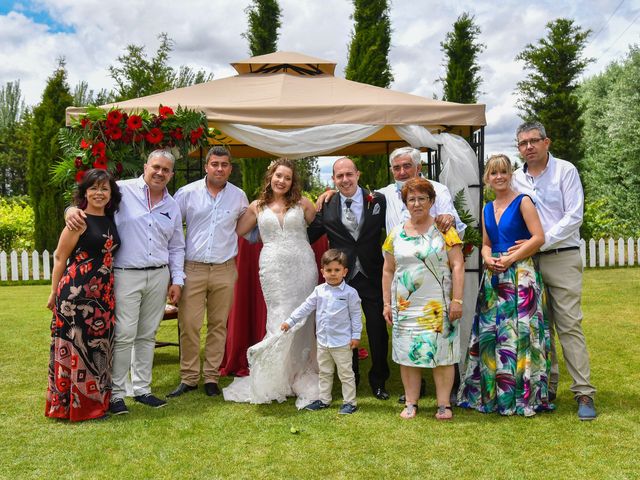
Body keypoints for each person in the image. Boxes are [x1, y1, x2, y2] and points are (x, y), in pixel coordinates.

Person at [66, 149, 185, 415]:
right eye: (156, 167)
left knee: (147, 334)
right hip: (125, 273)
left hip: (159, 274)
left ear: (171, 174)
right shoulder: (122, 191)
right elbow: (92, 200)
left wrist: (176, 279)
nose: (160, 173)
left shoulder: (172, 205)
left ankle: (142, 390)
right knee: (124, 335)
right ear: (145, 166)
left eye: (166, 170)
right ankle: (117, 394)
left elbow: (177, 246)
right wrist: (70, 209)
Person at [511, 121, 596, 420]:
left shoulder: (565, 171)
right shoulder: (514, 179)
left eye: (534, 141)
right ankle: (547, 388)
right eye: (523, 143)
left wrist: (540, 243)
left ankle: (584, 391)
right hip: (527, 261)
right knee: (539, 329)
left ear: (547, 142)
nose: (529, 147)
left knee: (569, 324)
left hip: (561, 256)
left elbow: (574, 216)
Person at [457, 154, 553, 416]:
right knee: (493, 333)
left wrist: (510, 258)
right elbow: (487, 243)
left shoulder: (523, 202)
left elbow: (538, 237)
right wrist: (487, 258)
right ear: (487, 177)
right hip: (494, 277)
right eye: (493, 173)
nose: (499, 177)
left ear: (511, 174)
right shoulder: (487, 207)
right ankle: (494, 395)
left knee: (521, 333)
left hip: (521, 274)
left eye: (503, 172)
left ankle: (523, 396)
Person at [222, 158, 319, 408]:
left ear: (292, 181)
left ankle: (300, 371)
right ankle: (275, 375)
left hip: (303, 266)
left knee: (305, 317)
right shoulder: (257, 207)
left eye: (287, 177)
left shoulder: (303, 203)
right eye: (278, 176)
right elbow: (239, 231)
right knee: (280, 315)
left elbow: (318, 222)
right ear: (271, 177)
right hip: (274, 268)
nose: (282, 181)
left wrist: (327, 192)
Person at [167, 147, 248, 398]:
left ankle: (211, 377)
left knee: (218, 325)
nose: (219, 168)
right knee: (189, 324)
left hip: (225, 269)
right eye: (215, 164)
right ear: (206, 166)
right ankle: (189, 377)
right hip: (193, 268)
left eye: (224, 164)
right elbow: (170, 227)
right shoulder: (187, 193)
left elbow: (249, 226)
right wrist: (174, 271)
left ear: (230, 168)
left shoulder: (238, 196)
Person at [381, 177, 465, 419]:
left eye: (422, 198)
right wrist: (387, 303)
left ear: (431, 201)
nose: (416, 203)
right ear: (405, 203)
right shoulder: (395, 233)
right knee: (407, 354)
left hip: (439, 305)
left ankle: (443, 404)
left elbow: (458, 265)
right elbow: (387, 270)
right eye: (411, 199)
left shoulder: (446, 230)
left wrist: (457, 300)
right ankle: (410, 403)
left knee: (443, 354)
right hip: (405, 306)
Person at [308, 157, 390, 400]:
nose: (345, 180)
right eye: (339, 176)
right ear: (333, 179)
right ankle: (350, 378)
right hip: (342, 280)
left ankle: (379, 381)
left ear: (358, 174)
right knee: (345, 331)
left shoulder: (378, 201)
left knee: (376, 329)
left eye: (349, 174)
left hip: (373, 274)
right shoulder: (327, 205)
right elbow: (309, 235)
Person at [45, 169, 122, 421]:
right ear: (85, 192)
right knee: (79, 346)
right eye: (94, 188)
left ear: (111, 194)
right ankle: (78, 406)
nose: (99, 193)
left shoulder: (111, 218)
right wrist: (54, 292)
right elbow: (59, 256)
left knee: (100, 348)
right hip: (76, 295)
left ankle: (98, 402)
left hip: (104, 296)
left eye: (104, 188)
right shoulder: (78, 221)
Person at [280, 249, 362, 415]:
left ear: (344, 272)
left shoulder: (350, 293)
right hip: (323, 341)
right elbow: (305, 307)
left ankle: (350, 402)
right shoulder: (319, 291)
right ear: (322, 271)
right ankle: (324, 400)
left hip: (342, 343)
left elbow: (356, 316)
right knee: (325, 372)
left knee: (346, 373)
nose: (333, 274)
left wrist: (356, 336)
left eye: (337, 270)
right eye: (329, 270)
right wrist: (290, 321)